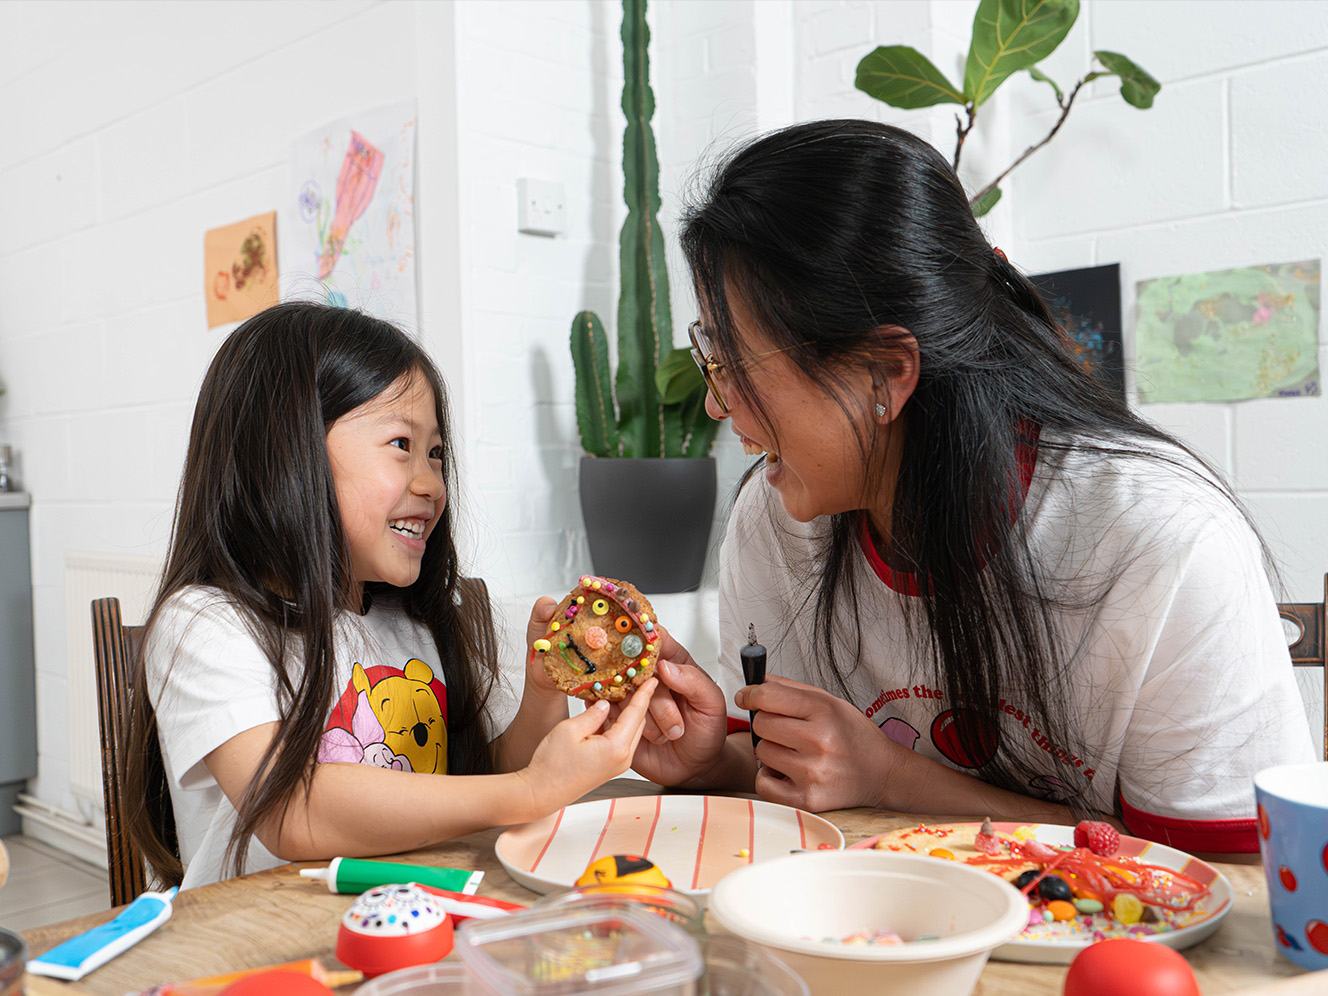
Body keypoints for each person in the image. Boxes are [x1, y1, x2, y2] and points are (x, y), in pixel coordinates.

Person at [625, 119, 1315, 853]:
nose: (714, 404)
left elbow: (1229, 873)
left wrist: (893, 777)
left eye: (734, 360)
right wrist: (712, 761)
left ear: (885, 372)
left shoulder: (1161, 541)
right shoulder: (775, 522)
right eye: (712, 356)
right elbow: (793, 778)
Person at [123, 302, 656, 889]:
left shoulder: (413, 623)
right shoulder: (206, 625)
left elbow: (482, 781)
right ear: (286, 452)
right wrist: (530, 791)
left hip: (414, 924)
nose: (431, 484)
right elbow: (288, 809)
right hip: (263, 948)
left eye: (435, 453)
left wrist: (541, 694)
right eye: (401, 444)